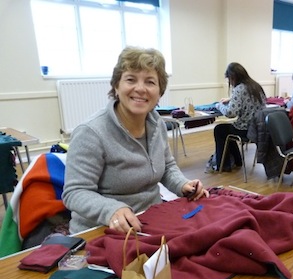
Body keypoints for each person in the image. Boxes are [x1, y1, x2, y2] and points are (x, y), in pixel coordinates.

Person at [63, 46, 209, 234]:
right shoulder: (90, 133)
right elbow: (75, 193)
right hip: (102, 230)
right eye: (131, 79)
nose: (140, 89)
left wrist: (183, 184)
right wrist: (112, 210)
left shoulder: (157, 124)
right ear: (116, 86)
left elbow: (167, 167)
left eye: (150, 82)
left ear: (159, 92)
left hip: (151, 220)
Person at [211, 62, 266, 171]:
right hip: (259, 129)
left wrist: (219, 105)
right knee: (227, 130)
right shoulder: (256, 86)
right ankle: (237, 160)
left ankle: (224, 165)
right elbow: (250, 101)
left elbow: (231, 113)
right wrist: (231, 99)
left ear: (233, 77)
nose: (230, 83)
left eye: (229, 80)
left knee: (220, 129)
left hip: (246, 130)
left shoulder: (239, 89)